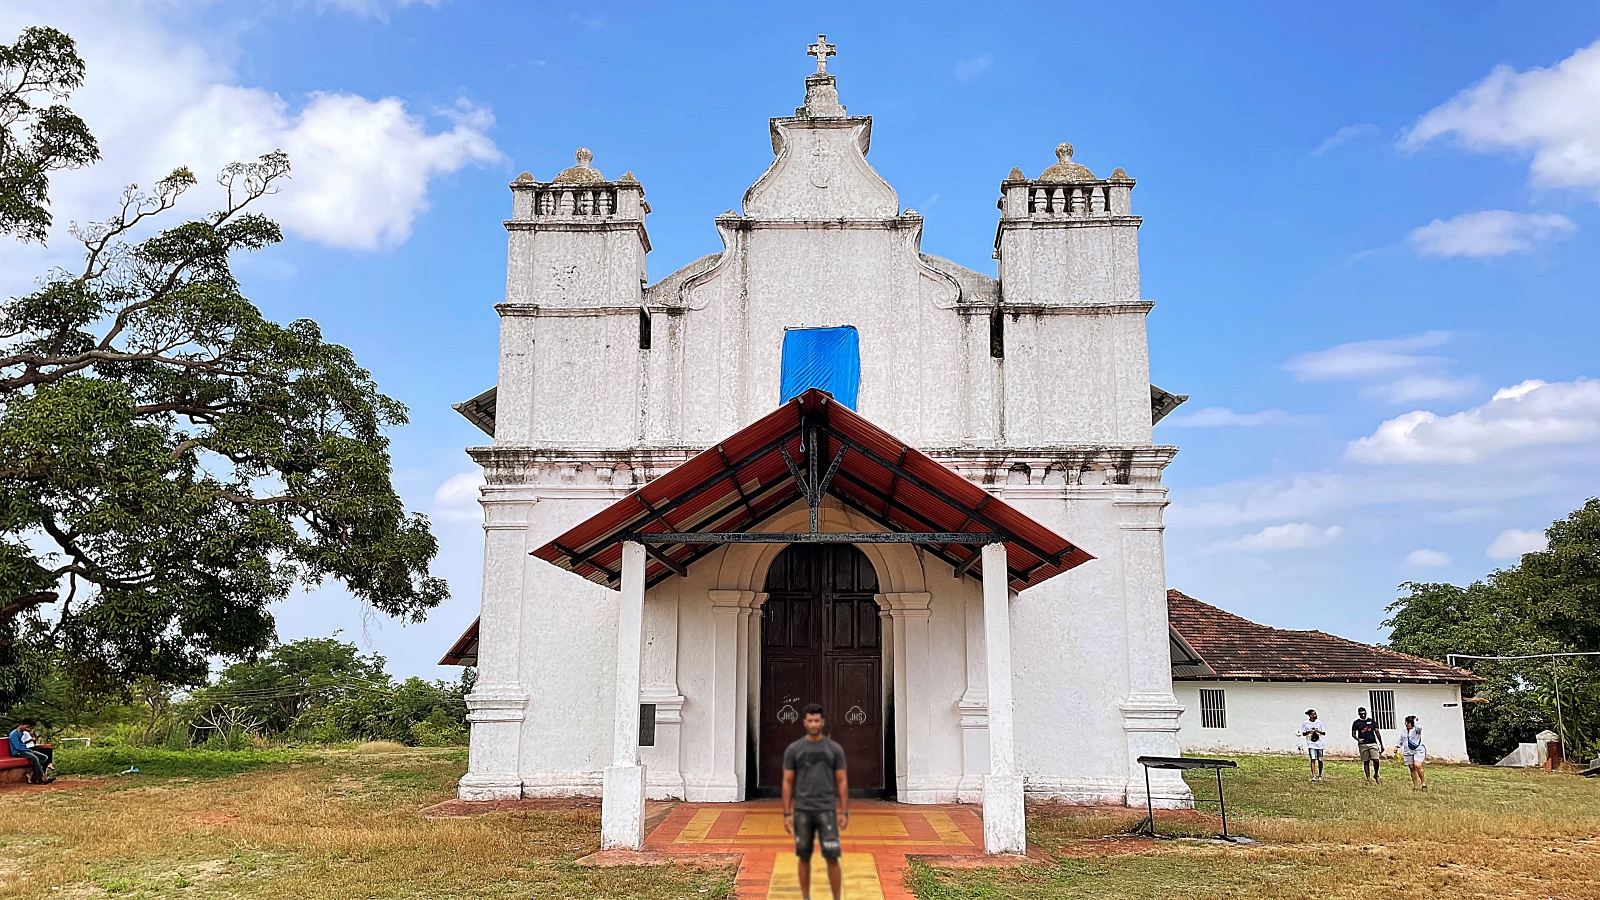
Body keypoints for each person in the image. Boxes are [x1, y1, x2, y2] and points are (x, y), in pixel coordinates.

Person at [782, 703, 849, 900]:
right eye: (810, 720)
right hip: (802, 811)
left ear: (823, 722)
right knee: (803, 855)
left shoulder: (834, 750)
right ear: (804, 722)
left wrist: (844, 811)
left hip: (826, 810)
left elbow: (842, 780)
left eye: (817, 720)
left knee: (831, 856)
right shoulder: (794, 750)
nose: (813, 724)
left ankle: (836, 897)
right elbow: (787, 782)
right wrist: (787, 813)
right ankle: (805, 897)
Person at [7, 719, 52, 784]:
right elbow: (17, 747)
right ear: (26, 726)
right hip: (17, 752)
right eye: (30, 728)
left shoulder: (21, 733)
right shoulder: (14, 734)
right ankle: (43, 776)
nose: (29, 730)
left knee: (44, 757)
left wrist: (29, 750)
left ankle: (33, 773)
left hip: (24, 750)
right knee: (35, 758)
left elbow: (22, 744)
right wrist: (29, 751)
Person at [1351, 706, 1384, 784]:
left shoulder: (1371, 721)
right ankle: (1368, 778)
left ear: (1366, 713)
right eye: (1361, 713)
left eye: (1364, 713)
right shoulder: (1356, 723)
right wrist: (1358, 739)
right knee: (1366, 761)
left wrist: (1381, 744)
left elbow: (1377, 732)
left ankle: (1376, 774)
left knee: (1376, 760)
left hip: (1373, 743)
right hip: (1363, 744)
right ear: (1359, 714)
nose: (1363, 715)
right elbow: (1353, 734)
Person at [1395, 715, 1427, 790]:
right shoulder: (1404, 731)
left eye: (1409, 722)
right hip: (1408, 751)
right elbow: (1401, 739)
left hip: (1418, 750)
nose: (1407, 724)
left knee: (1418, 765)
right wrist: (1397, 746)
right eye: (1406, 722)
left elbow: (1419, 727)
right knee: (1412, 768)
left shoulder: (1416, 730)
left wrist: (1415, 721)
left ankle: (1423, 783)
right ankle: (1415, 786)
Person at [1299, 709, 1327, 782]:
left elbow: (1324, 733)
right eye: (1314, 714)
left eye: (1315, 714)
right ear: (1310, 715)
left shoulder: (1319, 723)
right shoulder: (1305, 723)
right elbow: (1303, 733)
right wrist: (1308, 732)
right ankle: (1314, 775)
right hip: (1311, 744)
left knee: (1320, 759)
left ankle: (1320, 775)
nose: (1316, 715)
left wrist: (1318, 731)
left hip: (1319, 744)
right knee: (1313, 759)